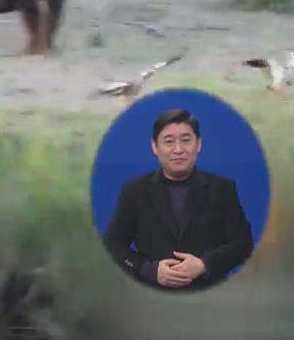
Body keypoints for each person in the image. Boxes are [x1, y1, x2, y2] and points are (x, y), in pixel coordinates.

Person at [102, 108, 254, 291]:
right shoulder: (135, 190)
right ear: (155, 147)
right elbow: (113, 244)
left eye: (186, 140)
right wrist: (149, 269)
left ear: (198, 144)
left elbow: (243, 243)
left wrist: (204, 264)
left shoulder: (222, 188)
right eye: (169, 142)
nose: (178, 149)